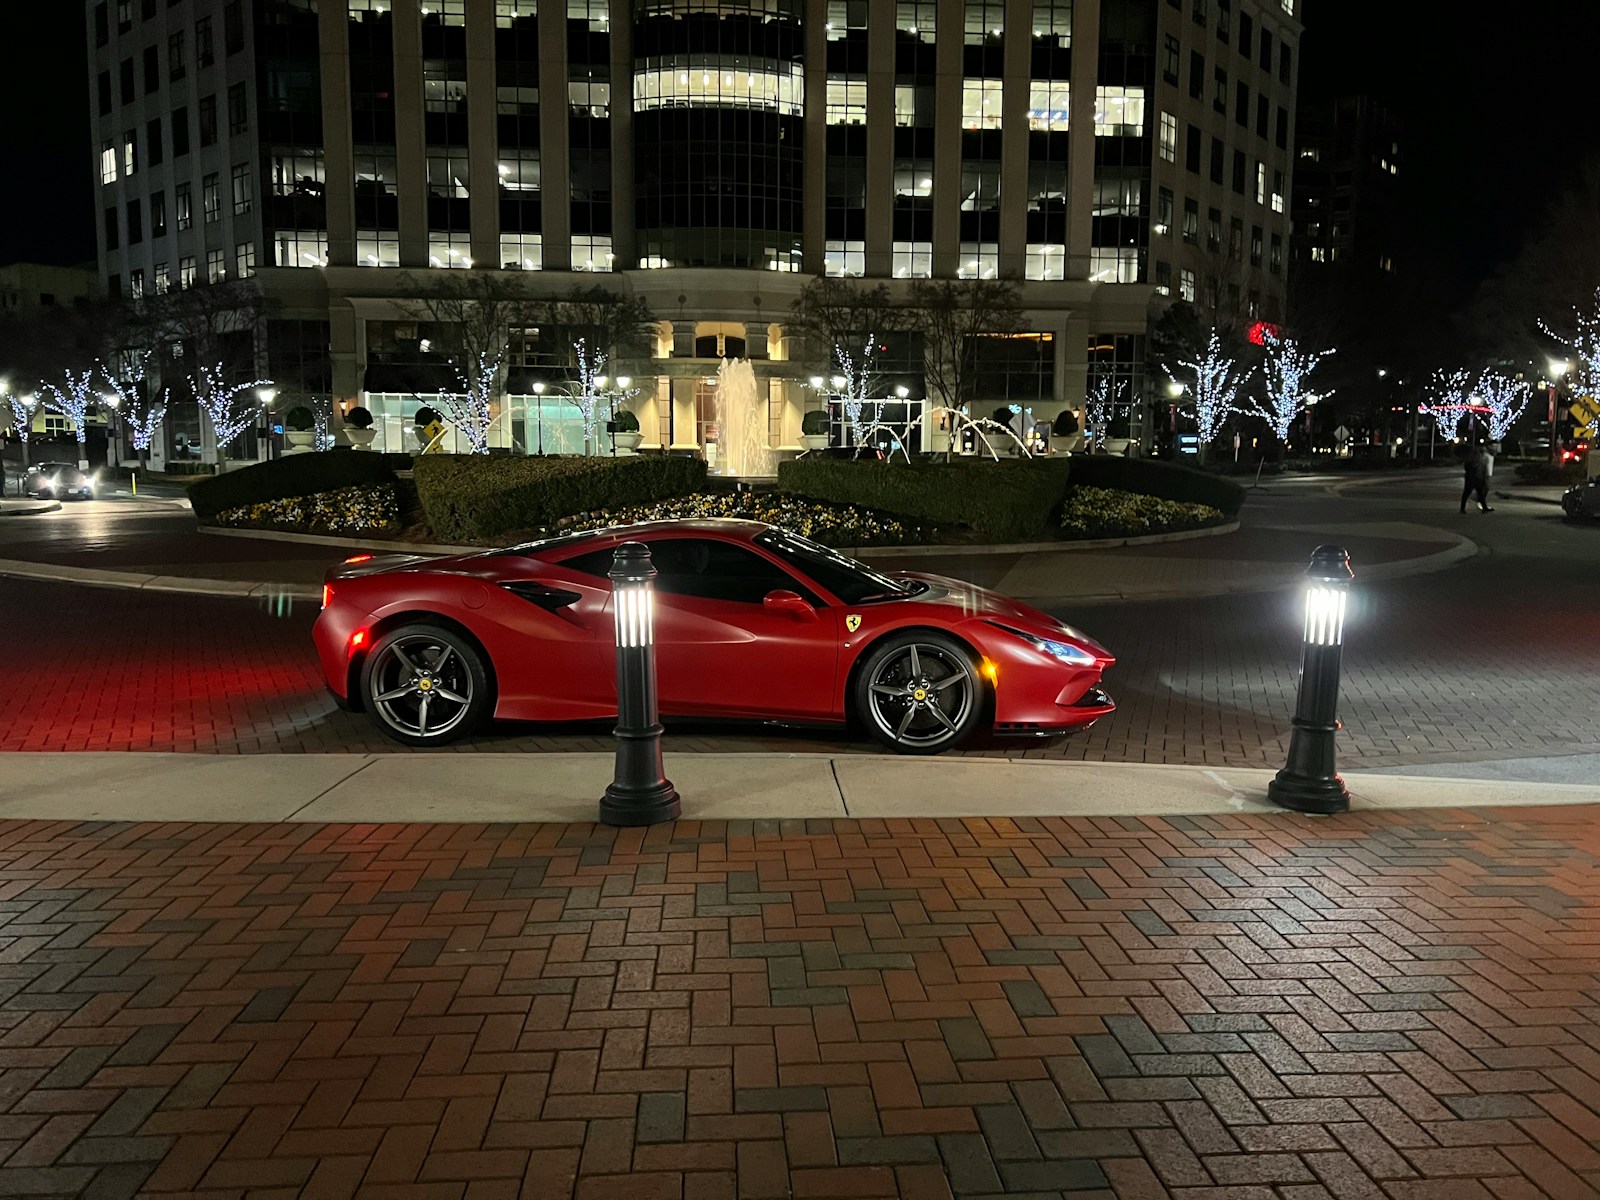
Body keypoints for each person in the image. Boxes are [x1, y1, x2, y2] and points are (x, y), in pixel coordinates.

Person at [1461, 442, 1493, 513]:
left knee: (1478, 493)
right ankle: (1463, 508)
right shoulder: (1476, 459)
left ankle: (1484, 508)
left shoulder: (1477, 458)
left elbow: (1468, 467)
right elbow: (1469, 467)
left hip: (1475, 478)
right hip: (1474, 478)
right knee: (1469, 493)